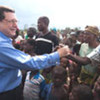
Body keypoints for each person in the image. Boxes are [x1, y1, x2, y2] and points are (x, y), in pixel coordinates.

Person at [0, 5, 70, 100]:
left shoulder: (53, 37)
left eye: (16, 21)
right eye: (11, 21)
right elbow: (28, 62)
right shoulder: (1, 44)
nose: (16, 26)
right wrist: (58, 54)